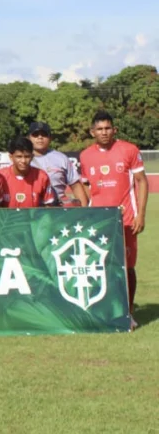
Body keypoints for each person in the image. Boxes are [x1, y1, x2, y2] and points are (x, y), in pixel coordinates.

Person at [79, 111, 148, 318]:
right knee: (99, 265)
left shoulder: (129, 150)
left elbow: (142, 182)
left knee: (127, 266)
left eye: (108, 128)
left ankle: (128, 312)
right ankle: (103, 311)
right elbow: (86, 186)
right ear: (92, 132)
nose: (104, 132)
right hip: (98, 222)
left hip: (125, 221)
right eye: (99, 129)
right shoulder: (85, 155)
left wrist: (141, 215)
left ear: (114, 129)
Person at [28, 121, 89, 207]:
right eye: (35, 134)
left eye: (44, 134)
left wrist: (84, 212)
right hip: (32, 208)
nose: (40, 137)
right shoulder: (22, 159)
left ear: (50, 138)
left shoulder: (61, 158)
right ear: (29, 137)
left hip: (57, 208)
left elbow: (75, 186)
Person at [0, 137, 55, 209]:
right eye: (19, 157)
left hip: (33, 220)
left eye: (27, 156)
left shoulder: (42, 176)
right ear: (11, 157)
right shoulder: (0, 177)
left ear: (32, 157)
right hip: (6, 220)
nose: (23, 161)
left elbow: (48, 206)